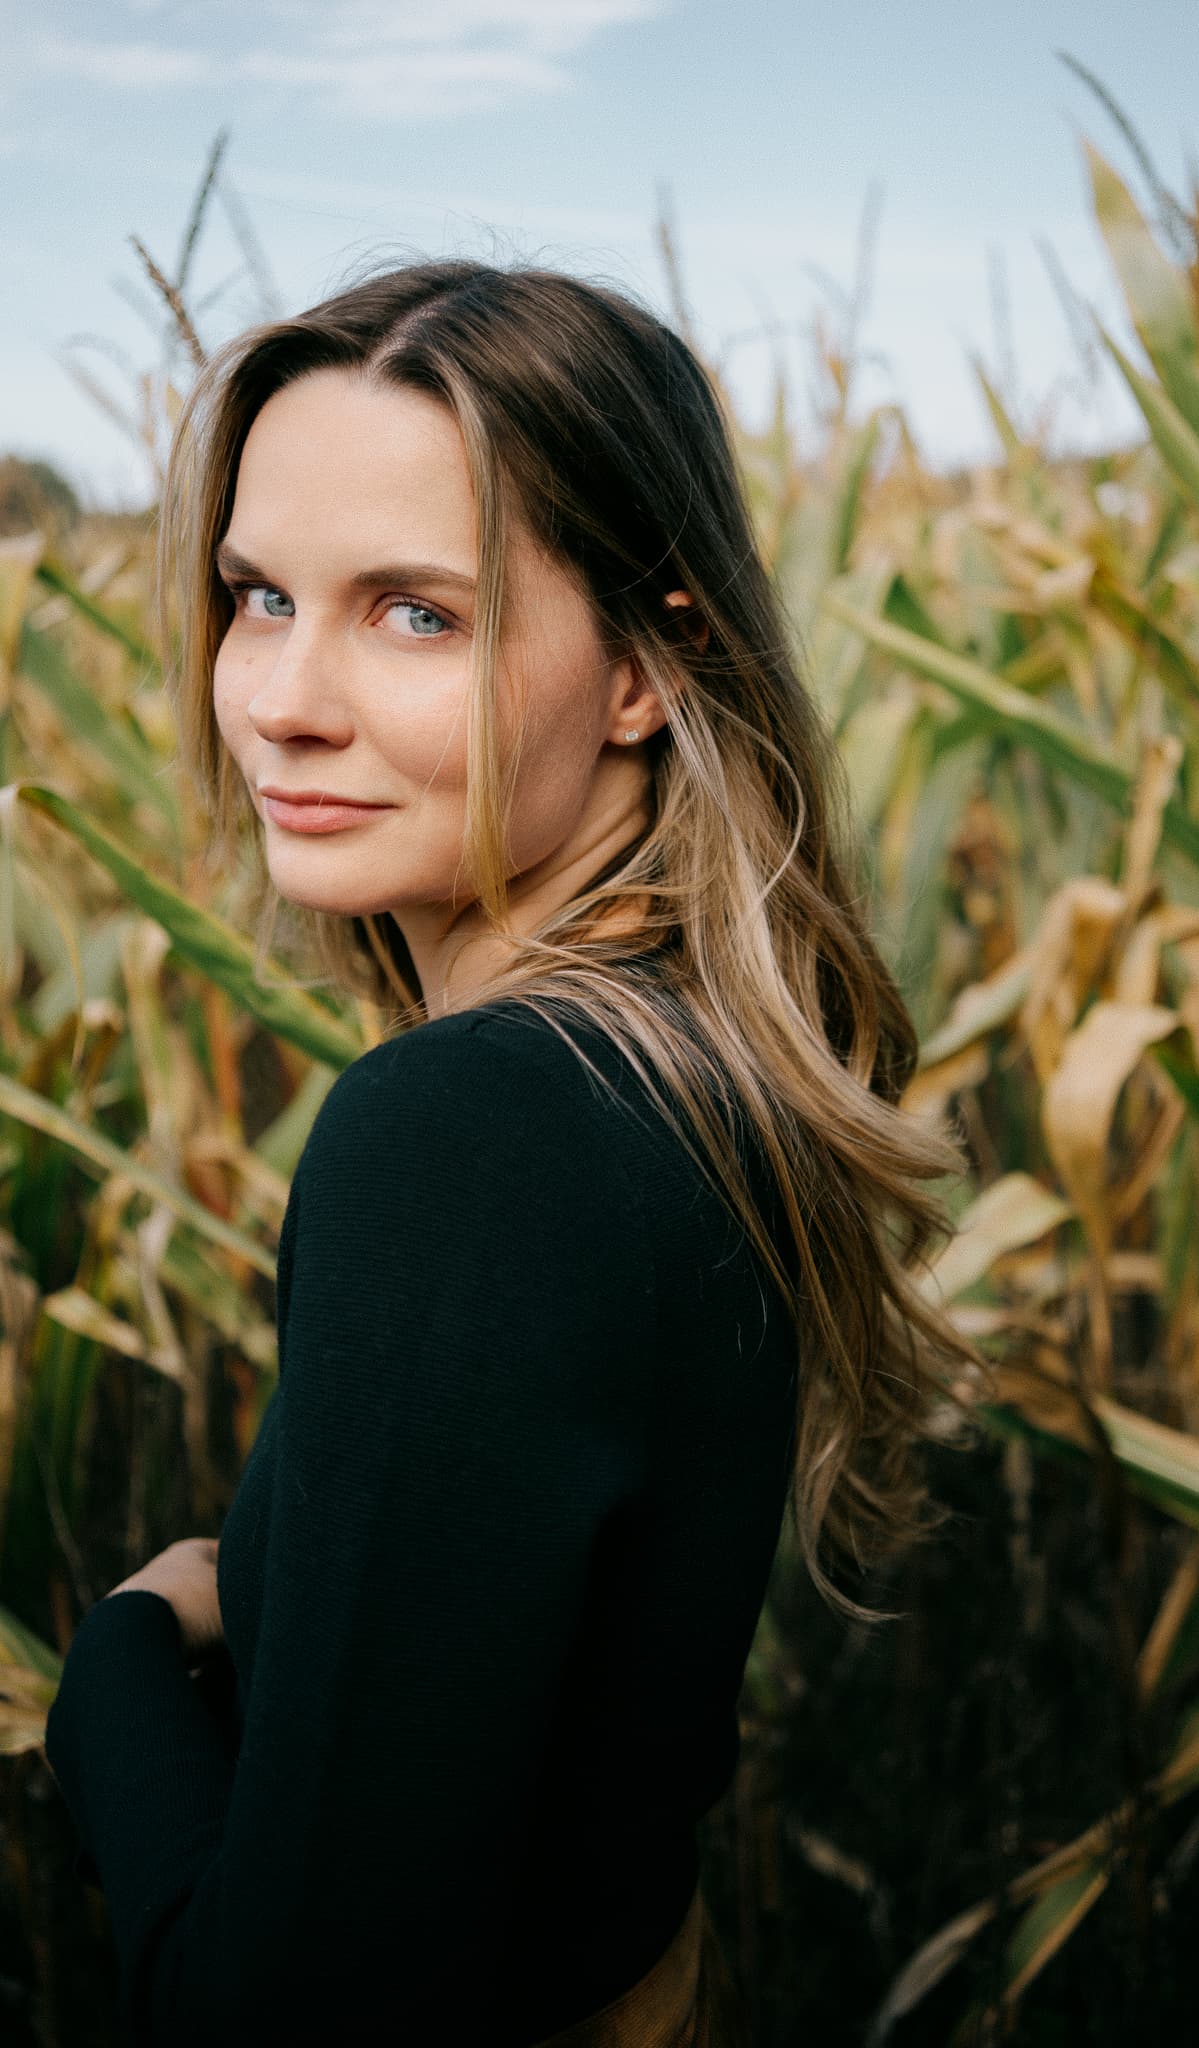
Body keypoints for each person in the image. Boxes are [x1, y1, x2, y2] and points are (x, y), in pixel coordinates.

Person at [42, 258, 982, 2046]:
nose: (281, 702)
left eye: (416, 616)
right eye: (257, 597)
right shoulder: (692, 1066)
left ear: (650, 661)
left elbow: (285, 2011)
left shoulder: (468, 1135)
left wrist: (121, 1669)